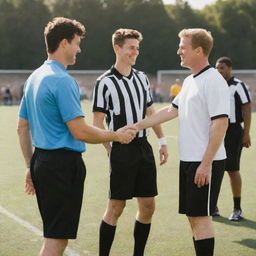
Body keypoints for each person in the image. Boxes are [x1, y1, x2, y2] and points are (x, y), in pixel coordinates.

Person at [17, 17, 135, 256]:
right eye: (77, 43)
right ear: (63, 43)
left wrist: (31, 166)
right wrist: (116, 136)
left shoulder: (34, 77)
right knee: (56, 240)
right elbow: (80, 131)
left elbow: (22, 128)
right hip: (61, 166)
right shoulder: (62, 80)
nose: (79, 49)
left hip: (42, 162)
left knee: (53, 235)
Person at [134, 28, 230, 256]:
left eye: (183, 47)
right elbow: (170, 110)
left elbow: (221, 124)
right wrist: (137, 126)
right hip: (190, 161)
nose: (179, 51)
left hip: (205, 162)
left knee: (201, 218)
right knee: (193, 217)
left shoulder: (214, 80)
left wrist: (206, 164)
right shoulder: (189, 81)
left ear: (198, 50)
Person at [92, 28, 168, 256]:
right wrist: (110, 148)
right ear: (118, 48)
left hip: (144, 148)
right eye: (131, 48)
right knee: (116, 207)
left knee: (148, 206)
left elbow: (151, 112)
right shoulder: (104, 82)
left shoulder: (142, 78)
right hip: (121, 149)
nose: (135, 52)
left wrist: (162, 140)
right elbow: (97, 122)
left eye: (137, 48)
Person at [214, 56, 251, 221]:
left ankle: (237, 209)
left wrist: (246, 133)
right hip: (216, 131)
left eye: (222, 68)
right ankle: (212, 206)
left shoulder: (238, 86)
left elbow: (247, 109)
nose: (219, 71)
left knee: (232, 169)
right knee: (215, 168)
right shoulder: (215, 85)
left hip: (234, 131)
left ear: (229, 68)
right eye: (217, 68)